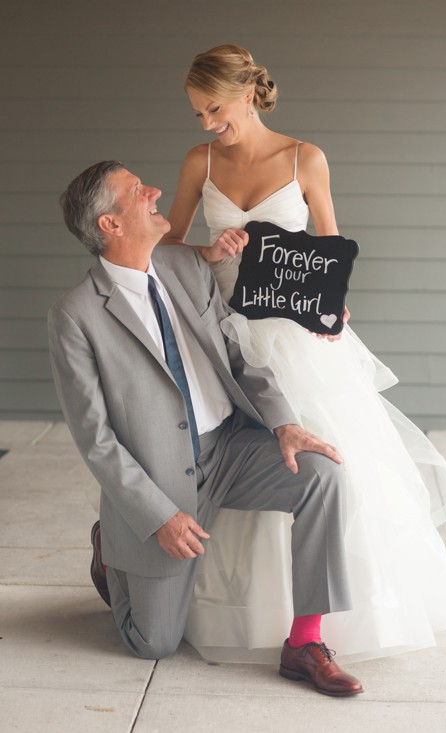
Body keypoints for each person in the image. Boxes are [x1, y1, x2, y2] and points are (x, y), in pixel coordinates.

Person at [162, 44, 446, 663]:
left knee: (326, 458)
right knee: (232, 452)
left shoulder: (304, 158)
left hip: (293, 332)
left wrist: (334, 305)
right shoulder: (198, 162)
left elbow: (330, 241)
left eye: (213, 109)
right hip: (222, 331)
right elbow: (168, 246)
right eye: (198, 114)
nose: (206, 124)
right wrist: (208, 253)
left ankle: (321, 622)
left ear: (246, 93)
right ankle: (234, 606)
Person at [49, 161, 364, 696]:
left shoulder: (184, 268)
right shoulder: (76, 315)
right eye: (135, 191)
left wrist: (284, 424)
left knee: (323, 475)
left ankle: (305, 642)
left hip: (232, 448)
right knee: (153, 643)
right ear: (110, 225)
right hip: (162, 479)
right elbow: (95, 438)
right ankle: (112, 550)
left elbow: (239, 358)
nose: (153, 192)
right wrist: (157, 517)